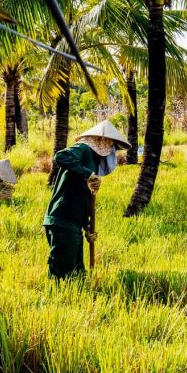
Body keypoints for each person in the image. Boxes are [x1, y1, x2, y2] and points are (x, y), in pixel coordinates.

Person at [43, 120, 129, 279]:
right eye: (111, 144)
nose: (112, 149)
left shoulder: (94, 162)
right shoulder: (83, 148)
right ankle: (55, 300)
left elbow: (83, 198)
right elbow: (60, 156)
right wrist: (87, 173)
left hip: (74, 223)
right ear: (102, 140)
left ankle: (76, 299)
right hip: (62, 219)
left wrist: (88, 226)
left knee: (77, 273)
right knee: (61, 273)